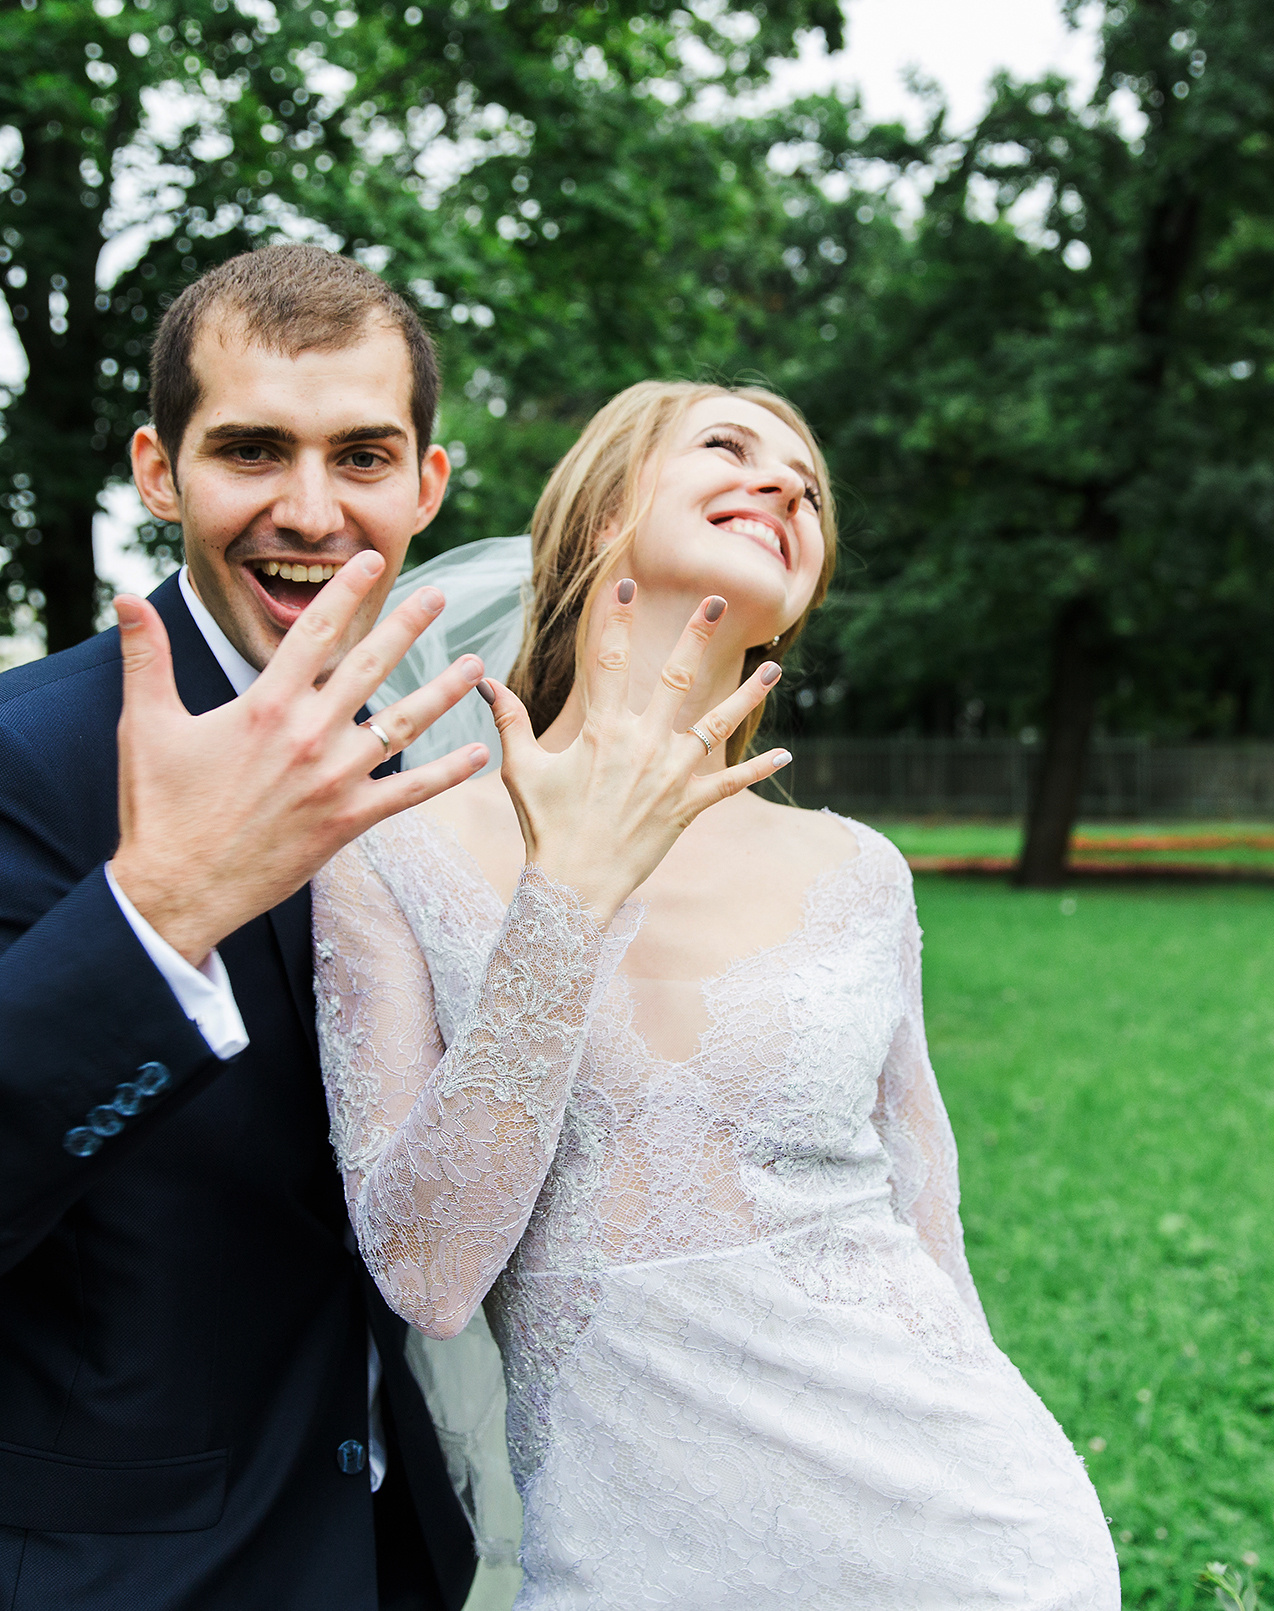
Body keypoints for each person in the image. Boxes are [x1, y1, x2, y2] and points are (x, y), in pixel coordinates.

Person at [0, 245, 495, 1610]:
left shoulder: (430, 763)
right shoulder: (5, 762)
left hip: (389, 1559)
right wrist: (155, 917)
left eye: (362, 454)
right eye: (251, 449)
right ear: (159, 469)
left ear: (424, 481)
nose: (311, 509)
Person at [313, 381, 1122, 1606]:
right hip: (638, 1561)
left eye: (808, 482)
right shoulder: (392, 848)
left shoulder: (857, 874)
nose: (789, 485)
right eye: (729, 449)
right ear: (598, 521)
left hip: (973, 1537)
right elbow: (428, 1272)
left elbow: (931, 1243)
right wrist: (566, 902)